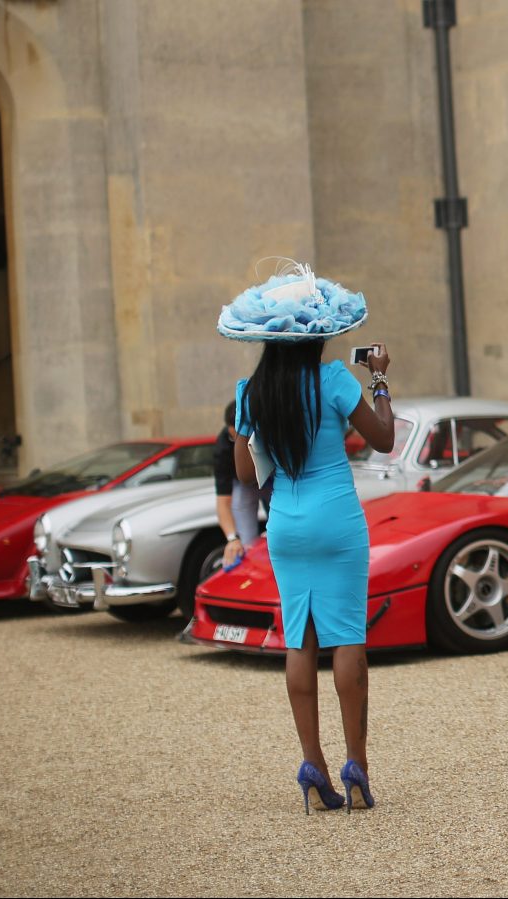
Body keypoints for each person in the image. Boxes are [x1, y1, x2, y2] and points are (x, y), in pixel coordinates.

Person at [221, 263, 396, 814]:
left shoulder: (251, 393)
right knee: (347, 636)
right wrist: (381, 379)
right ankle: (357, 766)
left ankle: (312, 766)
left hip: (287, 525)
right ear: (315, 335)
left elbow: (246, 478)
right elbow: (385, 439)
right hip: (338, 517)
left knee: (300, 639)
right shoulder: (335, 381)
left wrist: (241, 436)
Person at [214, 400, 265, 568]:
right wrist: (232, 538)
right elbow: (223, 501)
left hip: (271, 480)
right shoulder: (222, 449)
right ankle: (251, 569)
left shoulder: (265, 432)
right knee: (245, 540)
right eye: (235, 437)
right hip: (244, 485)